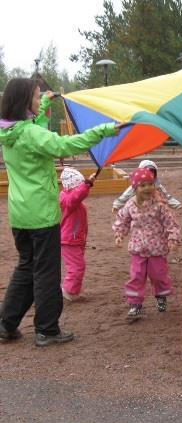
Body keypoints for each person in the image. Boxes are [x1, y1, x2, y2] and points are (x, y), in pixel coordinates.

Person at [0, 78, 119, 346]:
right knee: (46, 273)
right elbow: (65, 146)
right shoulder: (31, 134)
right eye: (35, 96)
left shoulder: (9, 131)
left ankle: (6, 324)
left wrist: (43, 103)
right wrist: (104, 130)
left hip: (20, 215)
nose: (37, 98)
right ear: (24, 102)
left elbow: (32, 124)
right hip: (41, 215)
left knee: (26, 268)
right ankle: (47, 329)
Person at [113, 167, 182, 319]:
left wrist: (173, 239)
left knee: (158, 275)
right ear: (135, 188)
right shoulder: (130, 205)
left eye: (150, 184)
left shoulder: (159, 206)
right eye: (143, 185)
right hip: (138, 248)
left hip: (157, 248)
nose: (147, 188)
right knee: (136, 276)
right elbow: (122, 220)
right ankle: (135, 304)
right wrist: (119, 234)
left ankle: (161, 295)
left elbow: (171, 223)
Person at [59, 167, 97, 302]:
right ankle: (68, 291)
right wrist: (87, 184)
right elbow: (76, 197)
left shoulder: (71, 200)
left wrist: (87, 183)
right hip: (69, 240)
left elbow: (77, 196)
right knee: (77, 267)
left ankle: (72, 290)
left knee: (77, 266)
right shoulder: (68, 200)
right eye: (79, 185)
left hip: (75, 239)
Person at [112, 159, 182, 212]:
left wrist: (177, 205)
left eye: (152, 173)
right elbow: (126, 195)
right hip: (139, 208)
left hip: (154, 209)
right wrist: (116, 205)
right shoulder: (137, 186)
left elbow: (167, 196)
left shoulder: (157, 185)